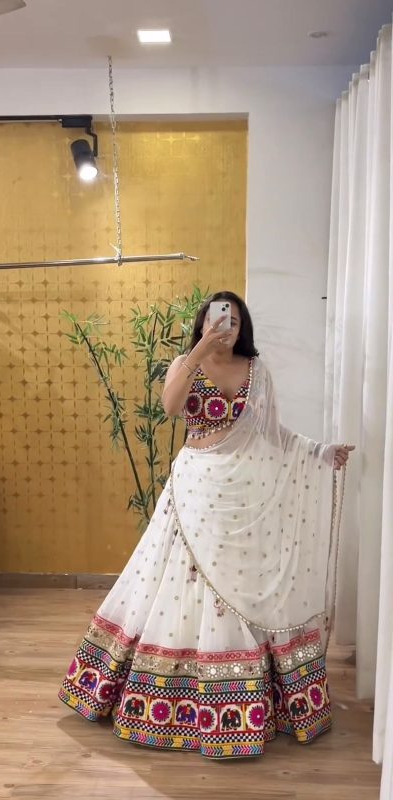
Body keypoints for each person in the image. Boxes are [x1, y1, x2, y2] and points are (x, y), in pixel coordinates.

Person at [59, 290, 354, 760]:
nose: (226, 326)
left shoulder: (257, 371)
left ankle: (256, 699)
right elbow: (170, 407)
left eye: (234, 320)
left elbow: (272, 433)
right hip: (196, 485)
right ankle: (167, 698)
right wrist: (197, 353)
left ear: (243, 327)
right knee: (180, 581)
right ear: (202, 323)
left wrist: (321, 451)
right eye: (218, 318)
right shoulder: (185, 363)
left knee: (243, 584)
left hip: (243, 492)